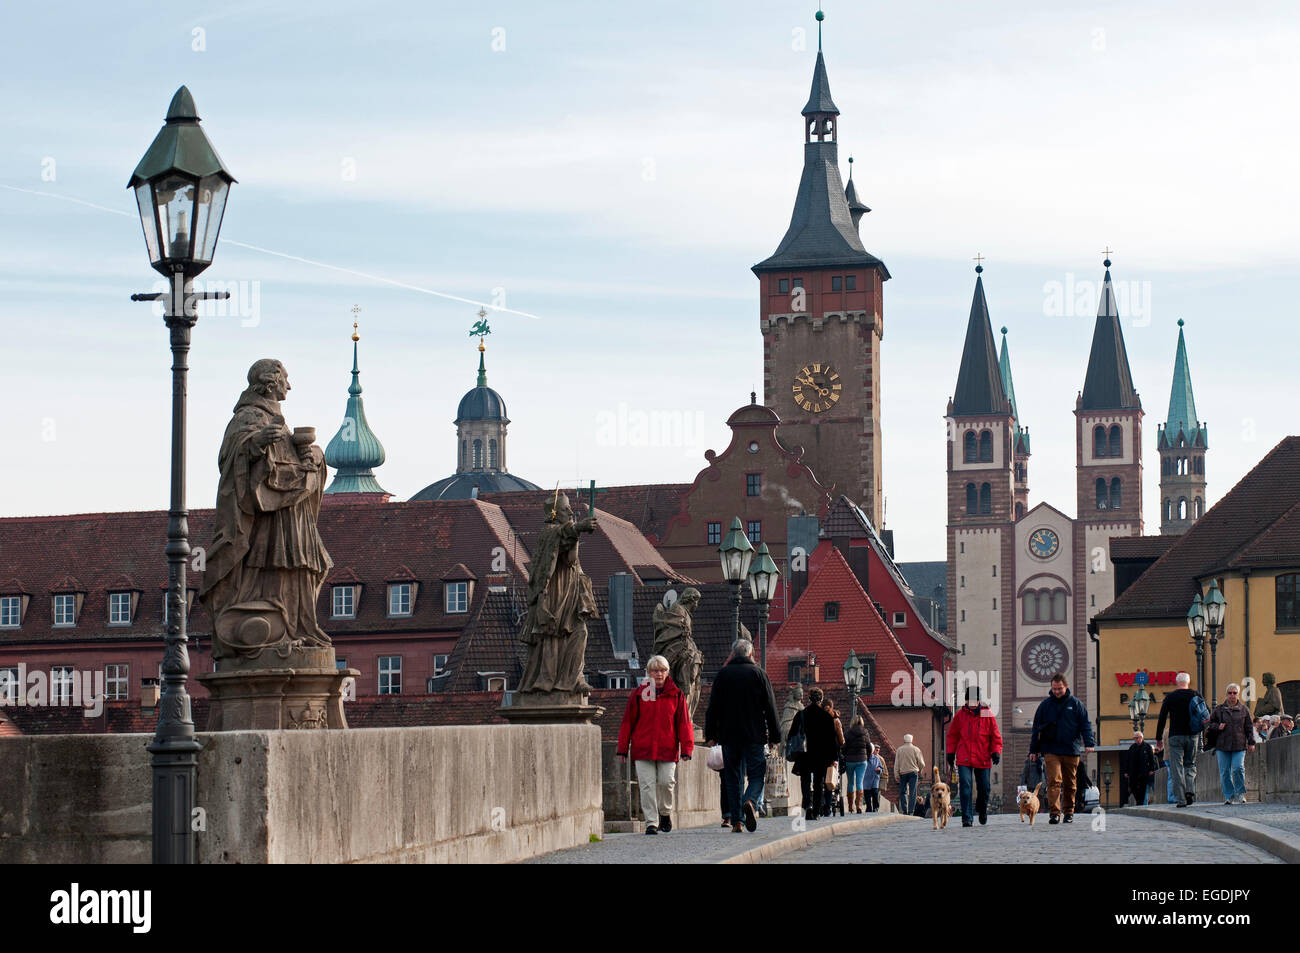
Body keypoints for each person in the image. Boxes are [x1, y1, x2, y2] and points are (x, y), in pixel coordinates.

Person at [201, 359, 334, 659]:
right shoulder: (247, 416)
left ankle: (300, 628)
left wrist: (311, 455)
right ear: (270, 381)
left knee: (303, 565)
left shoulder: (278, 419)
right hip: (270, 514)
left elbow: (288, 458)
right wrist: (257, 442)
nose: (289, 385)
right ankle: (277, 627)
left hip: (291, 509)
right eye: (285, 379)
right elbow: (230, 457)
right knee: (275, 564)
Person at [517, 491, 598, 694]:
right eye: (565, 509)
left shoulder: (565, 532)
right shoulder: (548, 532)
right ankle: (549, 681)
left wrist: (576, 533)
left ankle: (572, 678)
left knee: (580, 632)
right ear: (554, 514)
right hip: (553, 593)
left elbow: (570, 559)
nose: (571, 511)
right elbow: (558, 537)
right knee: (553, 636)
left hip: (570, 592)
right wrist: (578, 527)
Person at [704, 638, 782, 833]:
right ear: (750, 654)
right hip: (754, 734)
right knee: (756, 774)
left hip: (728, 735)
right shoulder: (759, 674)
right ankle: (750, 800)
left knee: (732, 776)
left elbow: (713, 707)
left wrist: (711, 733)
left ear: (733, 654)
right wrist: (775, 735)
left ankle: (737, 821)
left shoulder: (722, 675)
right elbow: (770, 708)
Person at [616, 656, 695, 835]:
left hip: (667, 747)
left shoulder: (676, 695)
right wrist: (622, 748)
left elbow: (684, 723)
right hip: (643, 747)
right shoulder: (638, 694)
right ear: (649, 673)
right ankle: (651, 822)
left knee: (667, 782)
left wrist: (687, 748)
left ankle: (665, 812)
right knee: (646, 785)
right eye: (655, 670)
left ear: (667, 672)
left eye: (662, 670)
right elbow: (627, 723)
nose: (659, 674)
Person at [1028, 672, 1096, 824]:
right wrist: (1033, 750)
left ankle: (1069, 812)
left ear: (1066, 687)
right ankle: (1054, 813)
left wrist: (1089, 743)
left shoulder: (1076, 704)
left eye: (1059, 689)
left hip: (1071, 749)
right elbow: (1036, 729)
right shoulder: (1045, 706)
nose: (1057, 692)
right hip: (1051, 749)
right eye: (1054, 689)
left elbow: (1086, 724)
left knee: (1070, 783)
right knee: (1054, 781)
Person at [946, 686, 1003, 827]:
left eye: (974, 700)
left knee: (984, 788)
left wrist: (996, 751)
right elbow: (952, 736)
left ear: (979, 700)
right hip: (964, 756)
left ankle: (982, 809)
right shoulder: (960, 715)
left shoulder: (987, 714)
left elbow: (995, 736)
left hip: (982, 756)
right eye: (969, 700)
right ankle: (967, 818)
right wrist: (950, 753)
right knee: (965, 786)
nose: (972, 703)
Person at [651, 588, 704, 721]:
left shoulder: (684, 611)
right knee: (685, 679)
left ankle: (686, 715)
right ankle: (682, 716)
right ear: (689, 599)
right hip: (677, 652)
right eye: (695, 601)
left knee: (692, 678)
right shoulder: (678, 610)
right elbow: (673, 631)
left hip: (685, 651)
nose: (696, 605)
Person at [788, 687, 840, 822]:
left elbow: (792, 734)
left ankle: (807, 804)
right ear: (821, 699)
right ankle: (816, 810)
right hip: (821, 754)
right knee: (818, 782)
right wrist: (834, 757)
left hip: (804, 753)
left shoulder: (801, 715)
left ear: (809, 698)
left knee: (805, 780)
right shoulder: (826, 717)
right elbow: (832, 739)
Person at [1154, 672, 1203, 807]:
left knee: (1176, 768)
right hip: (1192, 735)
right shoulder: (1195, 695)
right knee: (1190, 764)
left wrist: (1158, 738)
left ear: (1177, 682)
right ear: (1189, 681)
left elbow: (1162, 717)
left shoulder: (1171, 697)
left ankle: (1181, 799)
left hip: (1175, 736)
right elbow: (1206, 712)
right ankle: (1190, 790)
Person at [1209, 683, 1257, 805]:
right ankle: (1229, 796)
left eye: (1234, 693)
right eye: (1230, 693)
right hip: (1222, 745)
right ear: (1226, 694)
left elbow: (1249, 728)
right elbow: (1209, 725)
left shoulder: (1244, 709)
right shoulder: (1219, 709)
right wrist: (1218, 726)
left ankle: (1240, 793)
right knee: (1224, 772)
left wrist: (1251, 742)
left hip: (1239, 744)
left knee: (1238, 768)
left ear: (1238, 694)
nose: (1232, 695)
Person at [842, 714, 871, 814]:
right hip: (862, 760)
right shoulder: (865, 732)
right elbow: (869, 747)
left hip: (850, 761)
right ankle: (859, 806)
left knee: (850, 782)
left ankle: (850, 807)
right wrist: (868, 757)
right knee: (859, 782)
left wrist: (845, 756)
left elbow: (844, 747)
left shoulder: (848, 733)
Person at [894, 733, 924, 816]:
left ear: (904, 740)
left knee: (902, 792)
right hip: (913, 772)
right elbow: (921, 763)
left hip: (903, 773)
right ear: (912, 740)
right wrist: (919, 770)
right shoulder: (916, 749)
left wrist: (896, 774)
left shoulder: (899, 750)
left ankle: (904, 810)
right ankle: (911, 810)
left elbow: (897, 763)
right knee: (912, 792)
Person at [1125, 731, 1158, 806]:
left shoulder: (1147, 746)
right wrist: (1126, 771)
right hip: (1134, 772)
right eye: (1134, 738)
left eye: (1137, 738)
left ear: (1141, 738)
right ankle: (1139, 801)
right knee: (1133, 788)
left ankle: (1140, 803)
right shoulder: (1132, 747)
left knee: (1143, 789)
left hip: (1144, 772)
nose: (1135, 740)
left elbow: (1151, 759)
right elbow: (1128, 760)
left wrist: (1152, 769)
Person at [864, 743, 886, 812]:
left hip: (875, 778)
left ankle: (876, 807)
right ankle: (869, 807)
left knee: (875, 793)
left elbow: (881, 767)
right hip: (866, 779)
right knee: (867, 794)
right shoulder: (864, 758)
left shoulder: (876, 758)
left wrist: (879, 769)